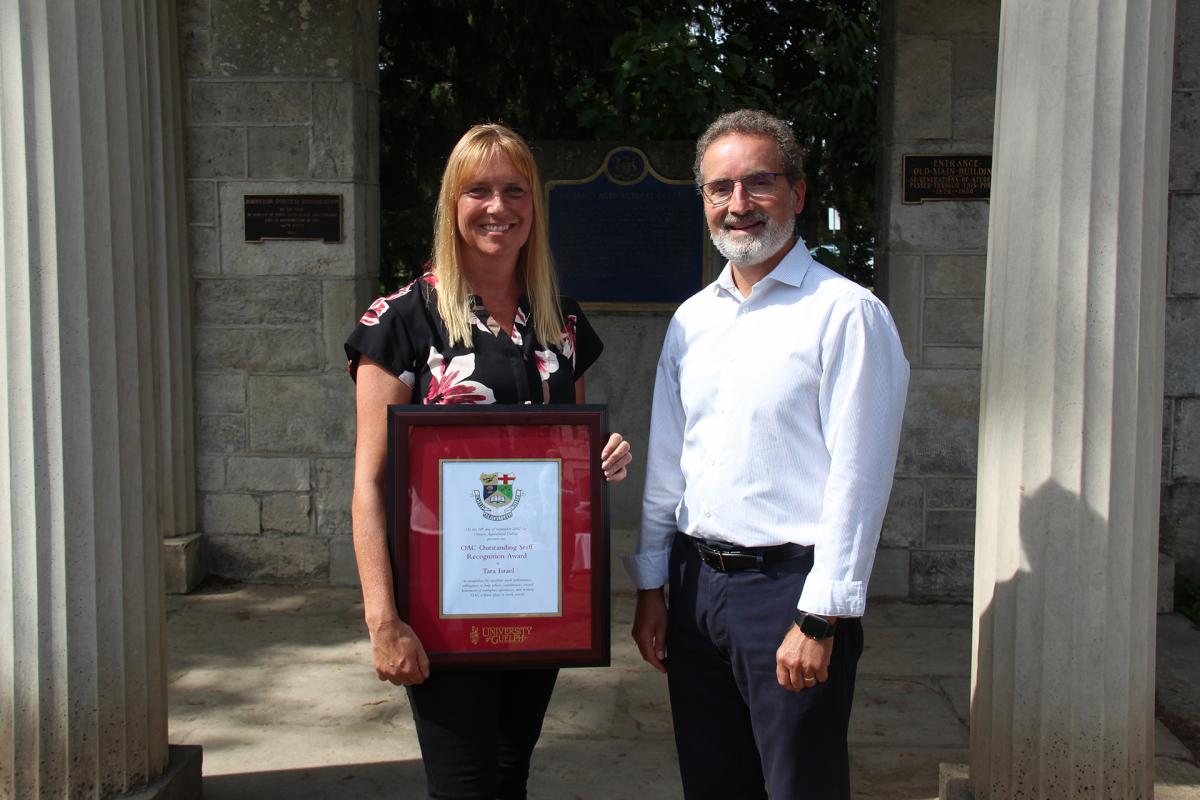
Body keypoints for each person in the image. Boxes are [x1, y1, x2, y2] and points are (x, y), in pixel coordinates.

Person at [624, 109, 909, 799]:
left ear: (798, 194)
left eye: (759, 183)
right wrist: (652, 585)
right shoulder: (693, 319)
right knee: (713, 783)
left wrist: (820, 616)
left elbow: (859, 480)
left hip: (790, 592)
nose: (739, 204)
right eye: (721, 188)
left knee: (797, 787)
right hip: (696, 592)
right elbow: (670, 465)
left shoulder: (846, 314)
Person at [346, 123, 632, 800]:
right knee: (464, 784)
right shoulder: (401, 321)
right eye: (478, 190)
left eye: (514, 190)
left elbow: (569, 460)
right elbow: (369, 483)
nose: (497, 207)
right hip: (440, 602)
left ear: (534, 206)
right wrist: (383, 621)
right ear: (452, 203)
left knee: (509, 776)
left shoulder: (560, 321)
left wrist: (600, 458)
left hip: (538, 596)